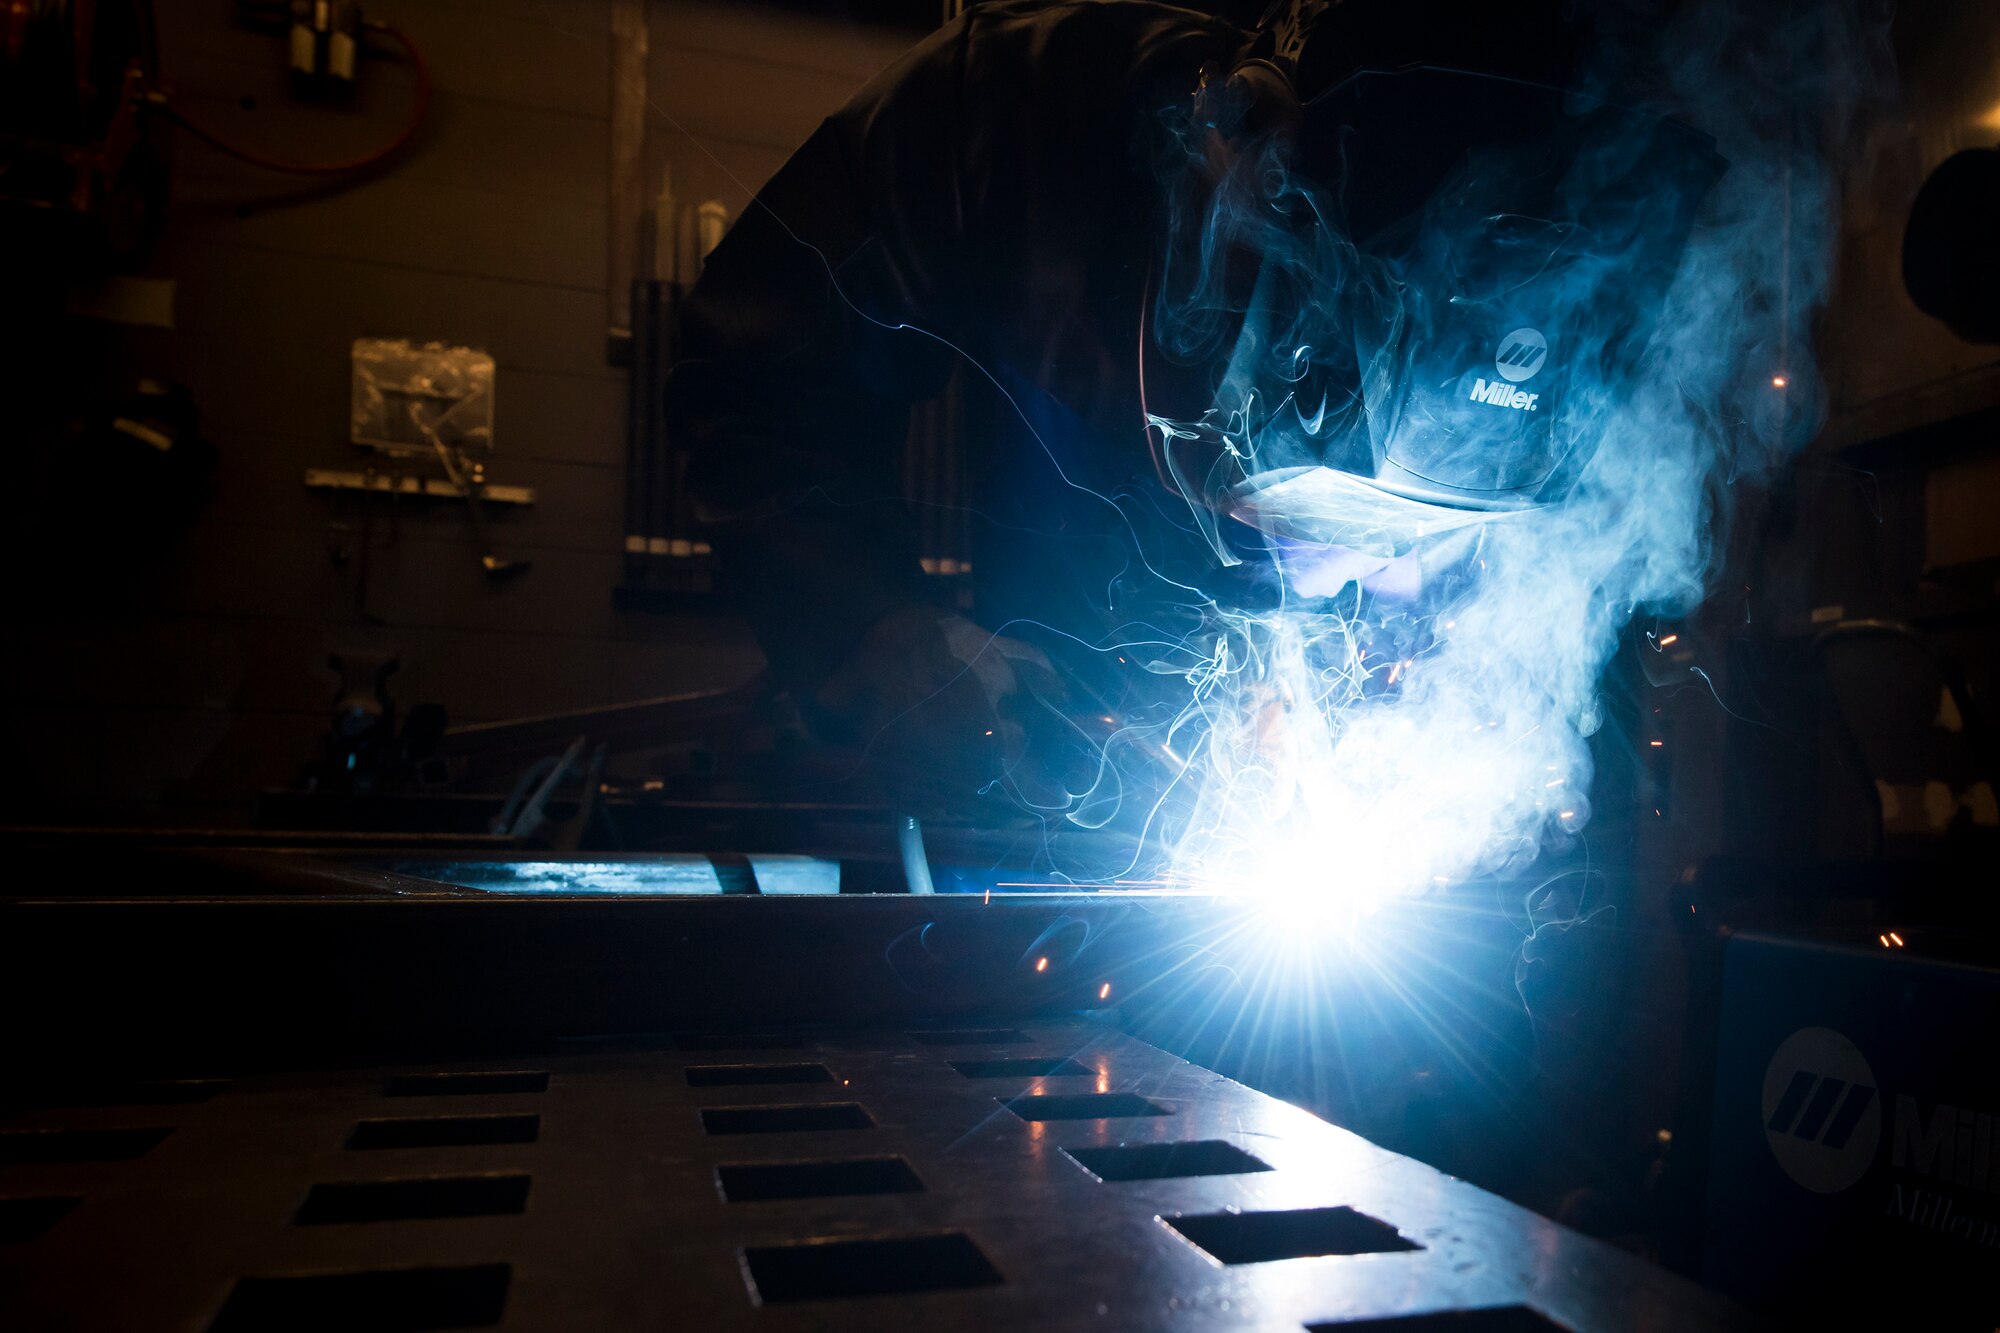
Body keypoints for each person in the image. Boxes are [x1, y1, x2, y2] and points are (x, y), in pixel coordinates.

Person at [667, 0, 1588, 814]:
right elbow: (761, 375)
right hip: (1049, 661)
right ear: (1236, 147)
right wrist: (873, 626)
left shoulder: (1612, 245)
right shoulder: (1018, 116)